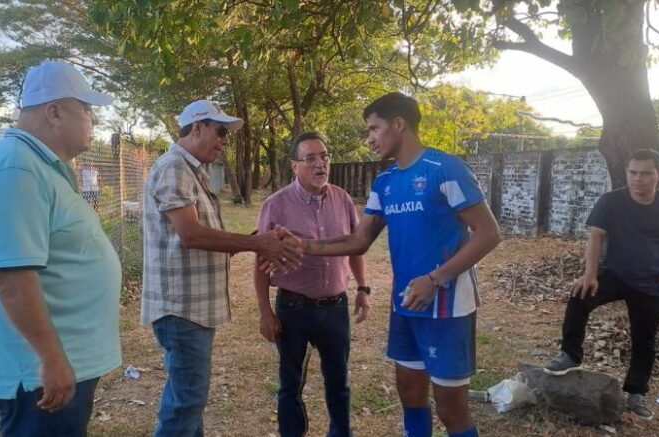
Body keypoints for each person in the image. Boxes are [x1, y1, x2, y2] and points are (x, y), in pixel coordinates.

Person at [279, 92, 501, 437]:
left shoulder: (445, 169)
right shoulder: (384, 182)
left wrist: (436, 279)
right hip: (404, 305)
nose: (369, 139)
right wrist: (303, 245)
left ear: (399, 124)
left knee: (450, 408)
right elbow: (359, 241)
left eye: (374, 129)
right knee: (410, 395)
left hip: (446, 307)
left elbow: (488, 233)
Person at [0, 60, 120, 436]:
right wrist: (50, 359)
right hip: (35, 374)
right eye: (86, 109)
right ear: (54, 112)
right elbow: (10, 275)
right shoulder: (15, 168)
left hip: (56, 363)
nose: (93, 120)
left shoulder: (39, 165)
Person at [141, 99, 303, 437]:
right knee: (186, 402)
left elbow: (207, 239)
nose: (224, 141)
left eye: (226, 135)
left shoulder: (191, 171)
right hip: (181, 309)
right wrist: (260, 245)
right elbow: (191, 235)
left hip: (193, 309)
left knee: (190, 402)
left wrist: (259, 239)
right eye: (220, 132)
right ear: (196, 127)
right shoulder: (174, 168)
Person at [544, 148, 659, 420]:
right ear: (627, 173)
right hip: (615, 273)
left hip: (651, 282)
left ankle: (636, 393)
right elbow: (596, 237)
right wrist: (589, 274)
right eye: (633, 173)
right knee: (579, 296)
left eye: (646, 173)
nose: (638, 179)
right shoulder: (611, 201)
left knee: (644, 339)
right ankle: (570, 355)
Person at [254, 132, 371, 437]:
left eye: (324, 156)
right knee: (290, 384)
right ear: (295, 165)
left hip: (335, 309)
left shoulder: (343, 199)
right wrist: (265, 312)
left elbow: (354, 247)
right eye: (311, 158)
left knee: (339, 383)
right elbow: (261, 262)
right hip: (293, 308)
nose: (321, 164)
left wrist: (362, 288)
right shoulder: (275, 205)